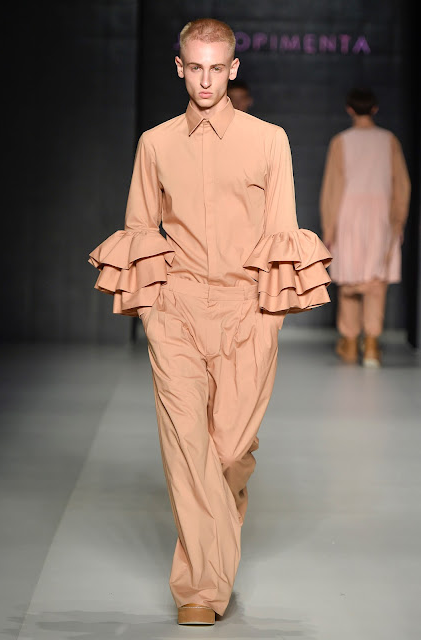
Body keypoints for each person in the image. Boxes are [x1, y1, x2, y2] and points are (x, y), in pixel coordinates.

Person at [89, 18, 331, 625]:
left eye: (216, 68)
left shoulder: (269, 140)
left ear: (233, 69)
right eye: (194, 67)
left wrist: (270, 319)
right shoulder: (155, 143)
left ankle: (218, 530)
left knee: (229, 450)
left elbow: (282, 229)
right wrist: (151, 310)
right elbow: (140, 226)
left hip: (247, 310)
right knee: (187, 445)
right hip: (176, 309)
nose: (205, 80)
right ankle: (200, 589)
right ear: (180, 68)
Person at [320, 88, 411, 367]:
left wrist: (329, 229)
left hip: (347, 214)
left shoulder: (341, 141)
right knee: (375, 281)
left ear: (349, 109)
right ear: (374, 109)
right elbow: (402, 184)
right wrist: (398, 220)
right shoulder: (389, 140)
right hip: (380, 216)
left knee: (349, 278)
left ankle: (349, 342)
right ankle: (371, 344)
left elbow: (332, 188)